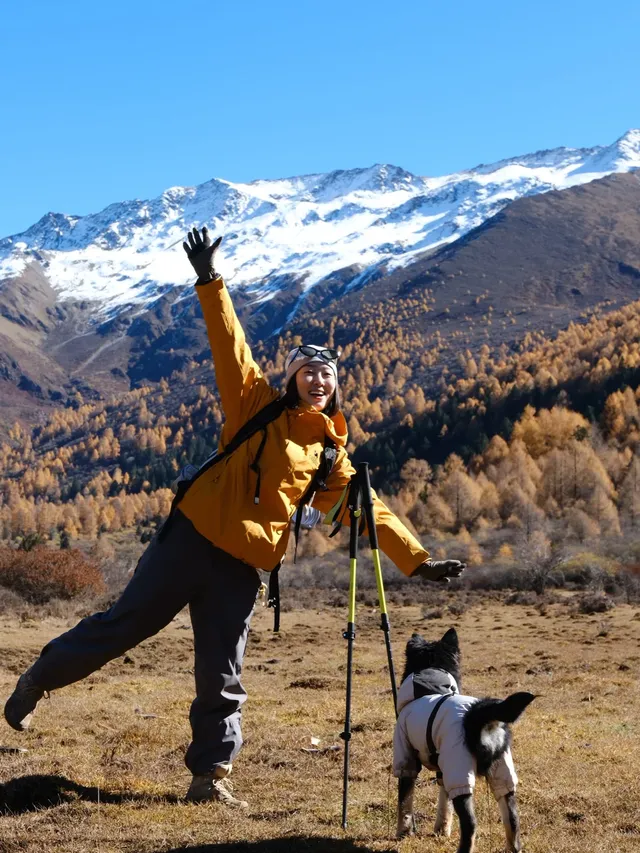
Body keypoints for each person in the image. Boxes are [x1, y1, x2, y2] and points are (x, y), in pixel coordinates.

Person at [4, 227, 465, 808]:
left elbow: (367, 511)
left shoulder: (330, 454)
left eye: (329, 375)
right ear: (293, 374)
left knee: (222, 674)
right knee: (122, 626)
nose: (319, 380)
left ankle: (209, 777)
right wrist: (208, 280)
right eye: (309, 370)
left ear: (335, 387)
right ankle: (39, 680)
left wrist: (417, 561)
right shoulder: (253, 404)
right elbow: (230, 343)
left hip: (243, 568)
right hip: (189, 541)